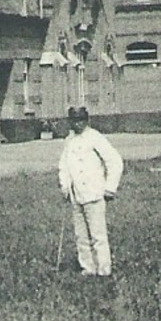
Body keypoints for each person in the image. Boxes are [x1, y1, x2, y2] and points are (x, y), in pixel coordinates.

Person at [57, 105, 124, 277]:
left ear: (87, 121)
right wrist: (64, 185)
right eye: (74, 121)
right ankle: (88, 267)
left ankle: (104, 269)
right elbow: (63, 165)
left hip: (94, 193)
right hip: (76, 195)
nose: (77, 124)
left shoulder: (95, 137)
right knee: (81, 236)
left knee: (98, 235)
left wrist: (110, 187)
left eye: (80, 120)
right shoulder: (69, 140)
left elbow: (114, 161)